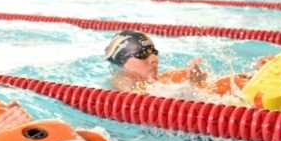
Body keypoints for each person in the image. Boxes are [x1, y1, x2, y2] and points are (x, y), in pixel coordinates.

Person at [103, 29, 271, 96]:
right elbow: (124, 82)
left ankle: (257, 76)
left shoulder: (171, 77)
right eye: (142, 54)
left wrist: (197, 83)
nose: (154, 59)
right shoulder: (124, 78)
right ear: (122, 63)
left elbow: (213, 89)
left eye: (154, 52)